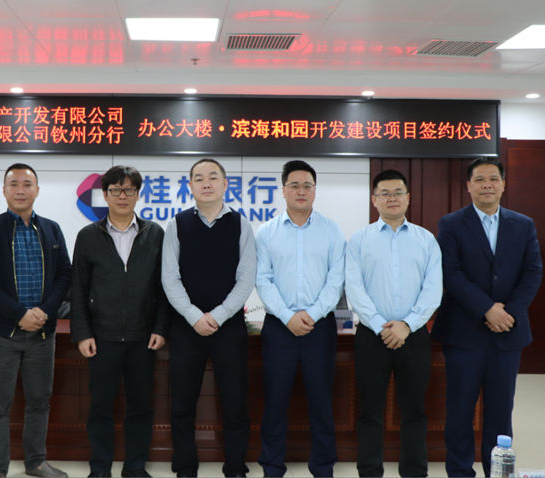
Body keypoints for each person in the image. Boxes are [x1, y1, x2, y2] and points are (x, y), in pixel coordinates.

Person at [432, 157, 542, 477]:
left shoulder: (523, 224)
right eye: (479, 179)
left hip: (507, 333)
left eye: (493, 179)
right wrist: (486, 308)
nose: (487, 185)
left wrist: (508, 313)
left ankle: (496, 472)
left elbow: (532, 273)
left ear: (503, 184)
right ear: (468, 186)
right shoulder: (451, 224)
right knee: (460, 410)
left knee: (500, 411)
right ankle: (459, 471)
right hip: (463, 333)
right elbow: (451, 273)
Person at [71, 165, 170, 478]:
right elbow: (78, 288)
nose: (122, 196)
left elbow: (165, 286)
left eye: (129, 190)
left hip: (143, 338)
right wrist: (82, 333)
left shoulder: (155, 233)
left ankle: (135, 467)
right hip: (102, 338)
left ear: (138, 194)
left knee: (140, 407)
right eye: (115, 190)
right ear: (105, 195)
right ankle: (100, 468)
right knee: (100, 407)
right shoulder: (88, 236)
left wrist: (160, 327)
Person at [0, 163, 71, 478]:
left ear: (37, 190)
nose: (20, 190)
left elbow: (64, 274)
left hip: (42, 333)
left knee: (39, 401)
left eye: (27, 184)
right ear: (4, 191)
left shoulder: (51, 229)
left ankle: (36, 462)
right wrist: (19, 314)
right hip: (5, 333)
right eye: (13, 184)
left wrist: (45, 311)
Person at [161, 158, 256, 478]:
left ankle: (235, 466)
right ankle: (185, 467)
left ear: (225, 184)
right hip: (186, 327)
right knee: (182, 403)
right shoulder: (177, 224)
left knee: (235, 401)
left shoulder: (241, 225)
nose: (206, 183)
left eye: (213, 177)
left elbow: (246, 279)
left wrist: (217, 316)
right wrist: (193, 317)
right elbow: (169, 278)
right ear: (190, 186)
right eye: (199, 178)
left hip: (229, 327)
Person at [344, 169, 442, 477]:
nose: (392, 198)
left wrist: (407, 325)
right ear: (374, 200)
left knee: (414, 411)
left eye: (398, 192)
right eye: (384, 193)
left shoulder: (426, 240)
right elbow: (354, 288)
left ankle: (414, 472)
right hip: (371, 337)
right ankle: (369, 471)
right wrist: (380, 325)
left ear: (408, 198)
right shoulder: (359, 240)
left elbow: (433, 290)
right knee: (369, 411)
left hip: (413, 336)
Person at [254, 160, 345, 478]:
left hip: (320, 327)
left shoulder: (332, 230)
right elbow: (263, 279)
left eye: (307, 185)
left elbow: (336, 279)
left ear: (315, 191)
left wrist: (313, 313)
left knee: (321, 400)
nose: (301, 191)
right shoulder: (266, 232)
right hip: (279, 328)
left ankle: (323, 466)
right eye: (294, 185)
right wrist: (288, 316)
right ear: (283, 190)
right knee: (275, 400)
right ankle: (272, 466)